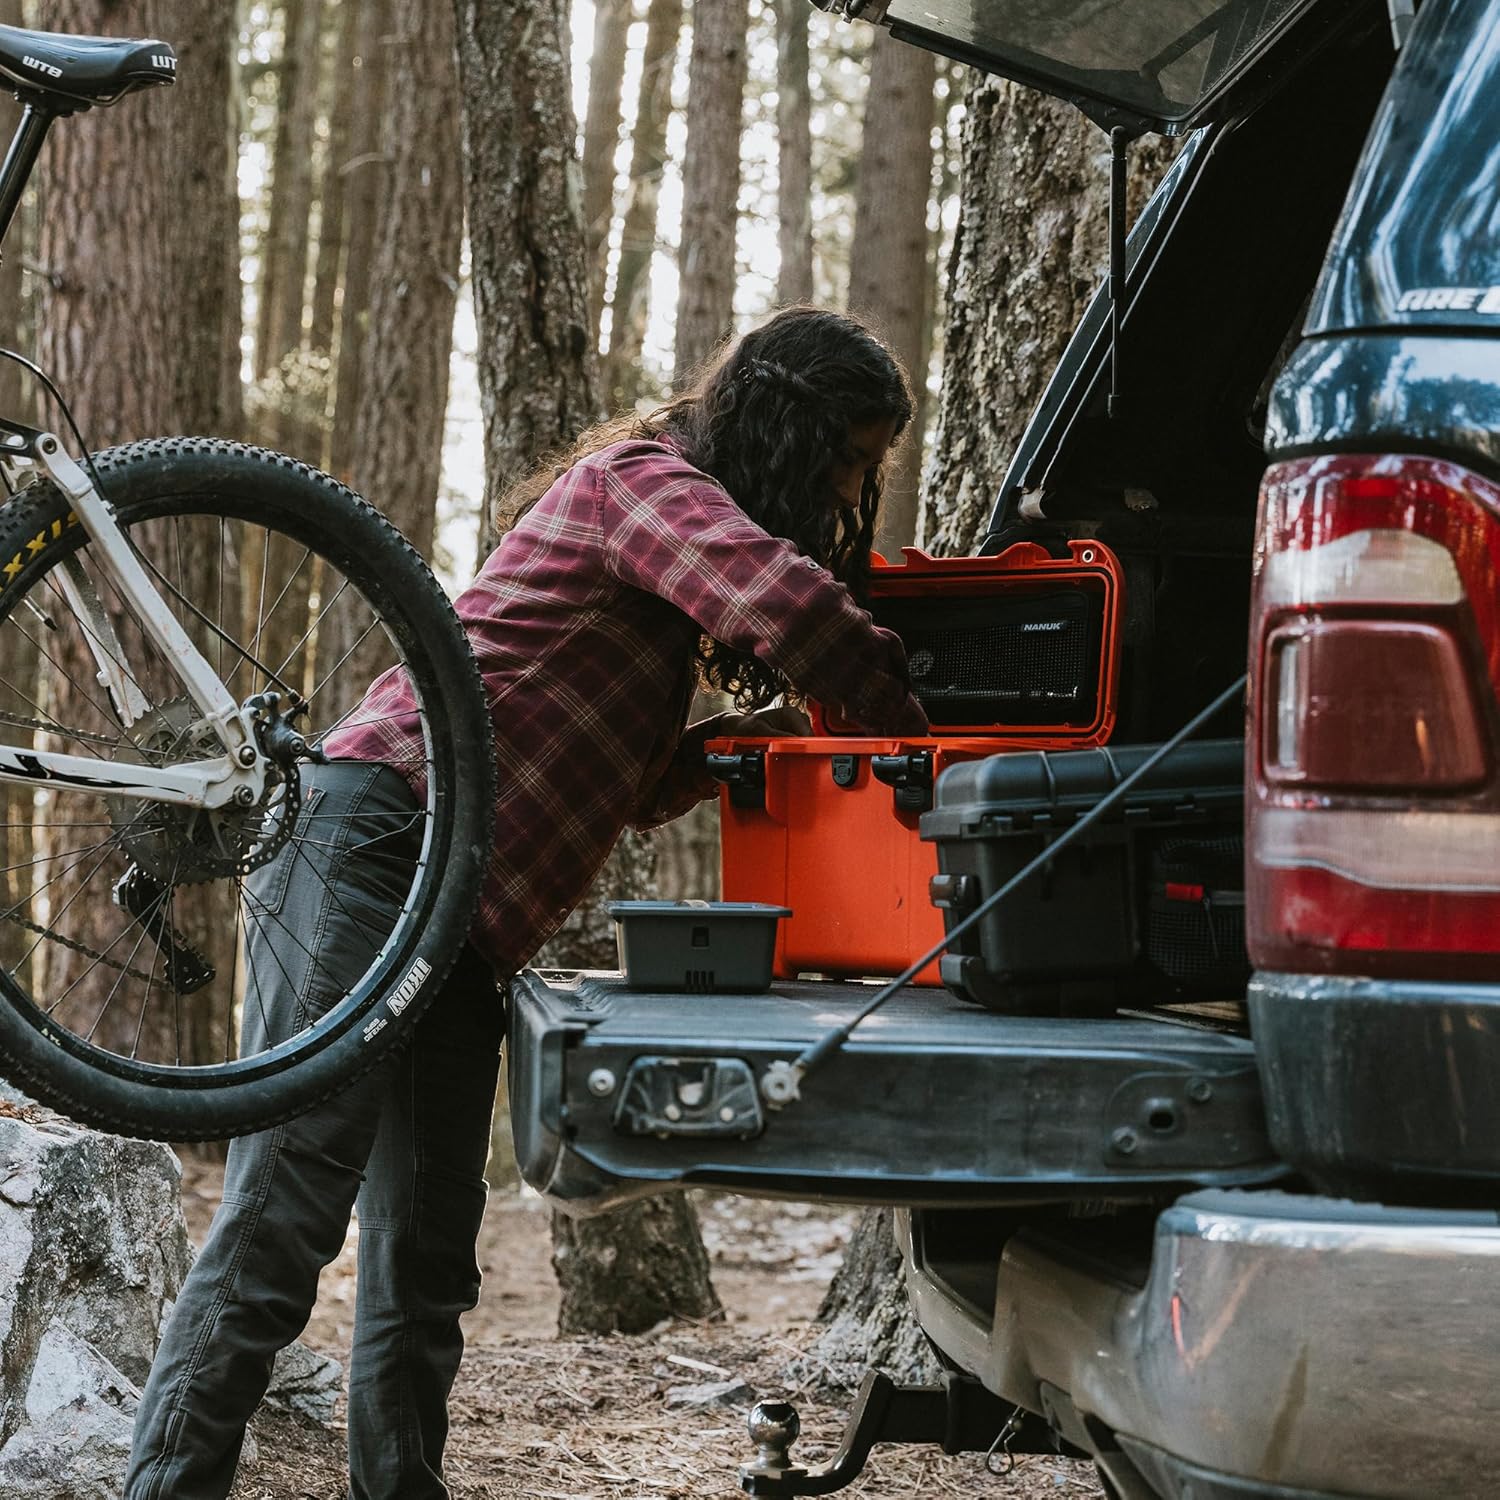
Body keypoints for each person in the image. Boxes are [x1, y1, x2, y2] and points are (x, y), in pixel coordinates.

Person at [123, 305, 929, 1500]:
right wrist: (926, 736)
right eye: (848, 464)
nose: (849, 494)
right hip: (376, 834)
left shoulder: (661, 539)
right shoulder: (640, 481)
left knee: (428, 1250)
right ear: (788, 429)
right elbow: (799, 611)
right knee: (289, 1211)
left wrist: (747, 752)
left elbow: (622, 773)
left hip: (465, 915)